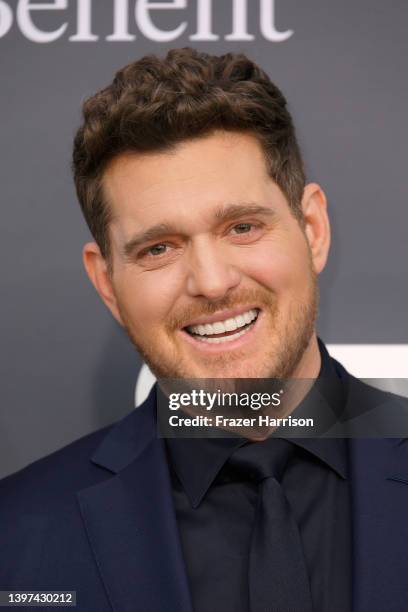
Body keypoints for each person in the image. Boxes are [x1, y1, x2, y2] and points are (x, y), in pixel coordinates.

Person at [1, 48, 407, 612]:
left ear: (312, 229)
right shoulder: (17, 537)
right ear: (107, 283)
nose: (212, 283)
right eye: (159, 248)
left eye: (242, 226)